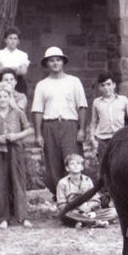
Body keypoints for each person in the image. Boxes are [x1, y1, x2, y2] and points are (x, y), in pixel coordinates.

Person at [32, 47, 88, 199]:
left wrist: (81, 130)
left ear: (63, 62)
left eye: (58, 60)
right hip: (49, 126)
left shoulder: (74, 82)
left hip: (70, 124)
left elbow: (82, 106)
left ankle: (77, 197)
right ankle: (60, 199)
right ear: (47, 64)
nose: (55, 63)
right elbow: (37, 110)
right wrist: (38, 135)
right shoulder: (42, 85)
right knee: (52, 163)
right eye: (51, 60)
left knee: (73, 160)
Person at [0, 82, 33, 229]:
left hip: (16, 150)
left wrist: (17, 136)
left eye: (5, 96)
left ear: (10, 97)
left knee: (18, 182)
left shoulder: (18, 112)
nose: (2, 99)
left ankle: (23, 217)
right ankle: (3, 218)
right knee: (1, 184)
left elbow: (29, 129)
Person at [90, 71, 128, 186]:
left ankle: (120, 190)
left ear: (114, 85)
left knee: (120, 165)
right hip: (103, 139)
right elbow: (94, 121)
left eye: (109, 84)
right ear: (99, 87)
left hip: (119, 138)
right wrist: (92, 138)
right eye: (103, 85)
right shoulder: (97, 102)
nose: (106, 88)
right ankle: (106, 193)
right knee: (104, 166)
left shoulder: (123, 100)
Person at [56, 153, 116, 228]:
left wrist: (88, 208)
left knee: (113, 211)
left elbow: (96, 200)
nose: (75, 165)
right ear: (67, 168)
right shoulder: (62, 183)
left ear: (82, 167)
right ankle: (95, 222)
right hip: (72, 211)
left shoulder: (87, 180)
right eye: (72, 164)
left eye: (78, 163)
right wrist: (78, 210)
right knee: (65, 214)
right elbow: (61, 205)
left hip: (89, 211)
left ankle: (82, 222)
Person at [0, 26, 30, 94]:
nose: (12, 41)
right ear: (5, 40)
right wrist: (16, 68)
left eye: (15, 39)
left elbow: (23, 71)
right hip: (2, 82)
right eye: (10, 38)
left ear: (18, 41)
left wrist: (5, 68)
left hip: (18, 84)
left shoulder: (23, 55)